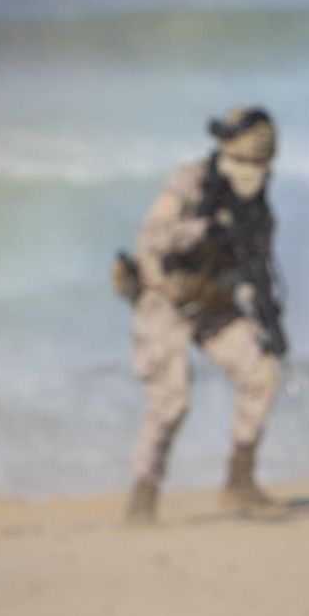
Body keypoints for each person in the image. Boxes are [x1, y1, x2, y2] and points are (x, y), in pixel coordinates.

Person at [118, 106, 288, 523]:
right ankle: (143, 496)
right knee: (171, 402)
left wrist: (267, 315)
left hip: (214, 305)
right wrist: (203, 231)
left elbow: (256, 267)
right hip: (165, 301)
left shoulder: (257, 205)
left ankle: (239, 483)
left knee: (262, 373)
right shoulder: (190, 181)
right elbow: (150, 238)